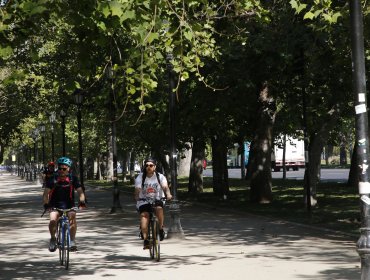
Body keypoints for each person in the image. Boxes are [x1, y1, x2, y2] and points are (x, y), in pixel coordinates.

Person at [42, 156, 86, 252]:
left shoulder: (73, 179)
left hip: (69, 205)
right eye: (60, 168)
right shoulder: (53, 179)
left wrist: (82, 201)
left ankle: (72, 241)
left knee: (72, 217)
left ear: (68, 169)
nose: (61, 170)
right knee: (53, 219)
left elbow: (80, 191)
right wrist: (46, 204)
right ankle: (53, 239)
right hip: (54, 205)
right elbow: (45, 194)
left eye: (64, 168)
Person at [135, 157, 172, 249]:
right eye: (146, 165)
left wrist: (168, 194)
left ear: (155, 167)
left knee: (159, 209)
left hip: (157, 199)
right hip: (143, 200)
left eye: (151, 165)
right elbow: (138, 189)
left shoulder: (160, 177)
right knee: (145, 215)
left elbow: (165, 187)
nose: (148, 167)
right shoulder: (140, 177)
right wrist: (136, 196)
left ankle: (160, 229)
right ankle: (146, 240)